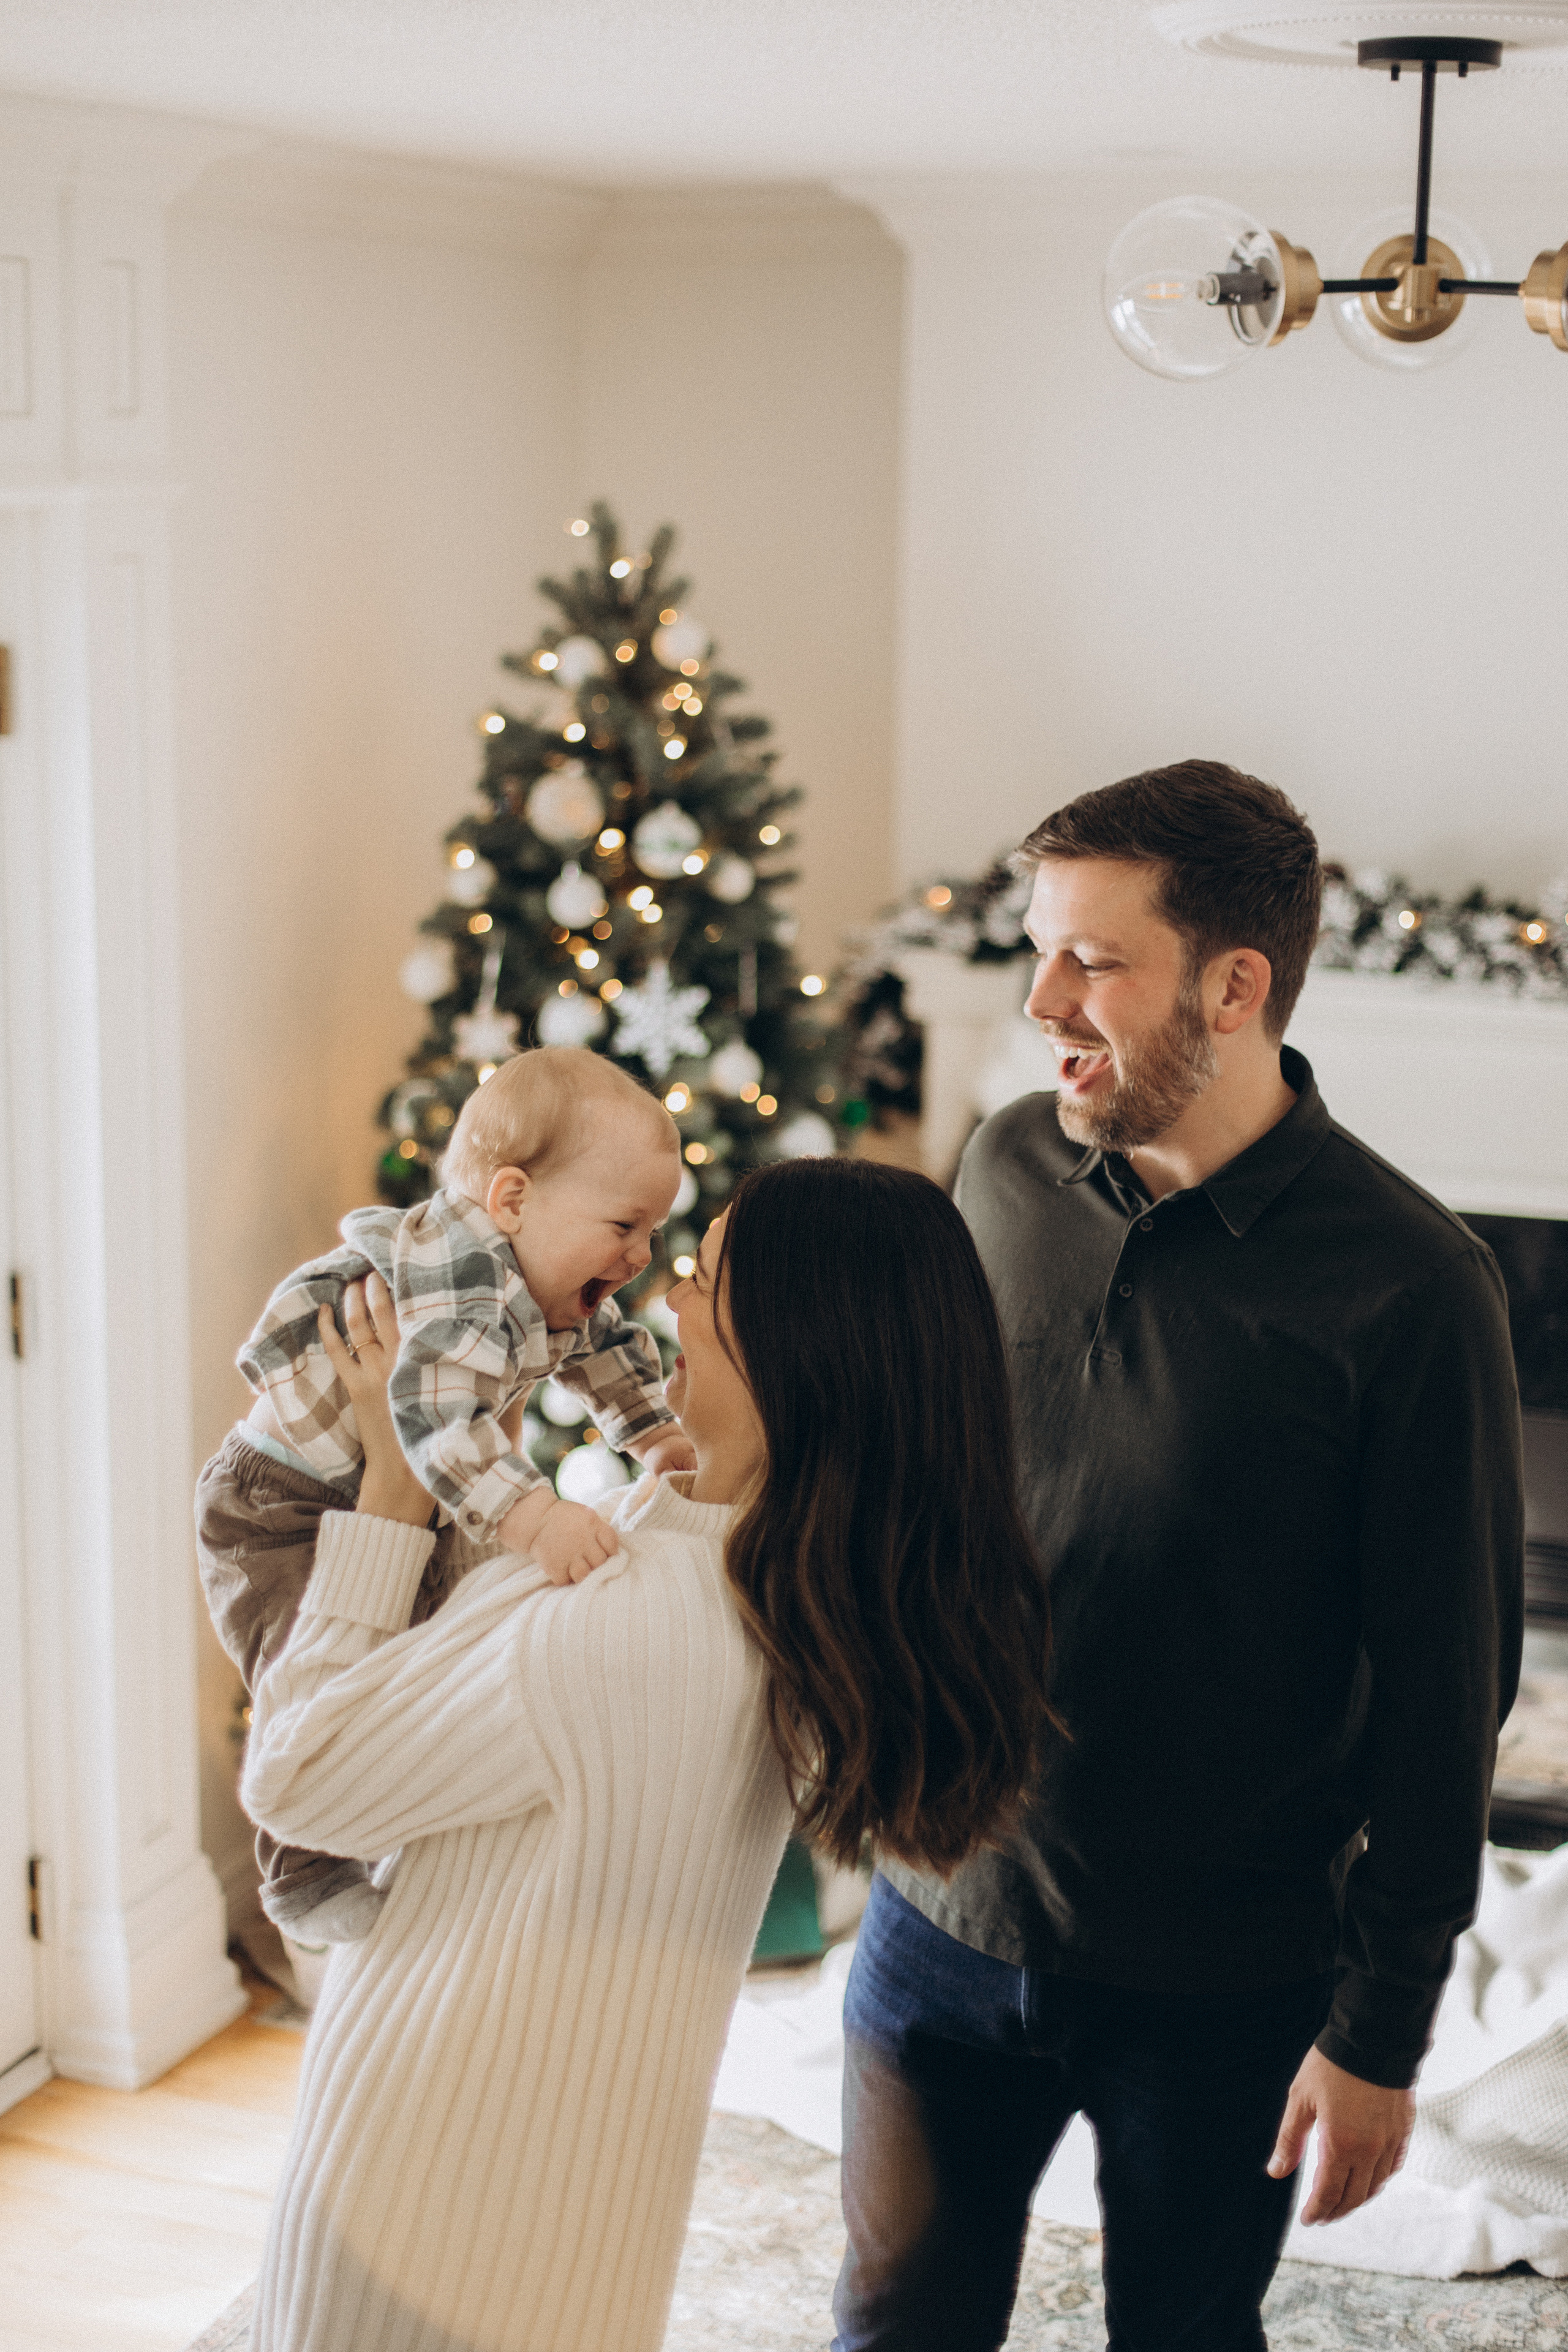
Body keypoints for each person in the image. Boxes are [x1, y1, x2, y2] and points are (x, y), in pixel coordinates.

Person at [833, 760, 1525, 2352]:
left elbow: (1447, 1695)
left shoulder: (1416, 1291)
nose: (1040, 1002)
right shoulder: (1002, 1167)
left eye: (1093, 961)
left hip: (1220, 1984)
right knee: (887, 2327)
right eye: (1038, 951)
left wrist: (1380, 2032)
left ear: (1234, 986)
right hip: (936, 1919)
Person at [240, 1154, 1057, 2352]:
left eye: (707, 1281)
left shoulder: (638, 1615)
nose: (664, 1298)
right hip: (584, 2219)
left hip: (419, 2199)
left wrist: (395, 1495)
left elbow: (297, 1779)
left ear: (788, 1348)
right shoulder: (779, 1593)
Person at [196, 1046, 694, 1947]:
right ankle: (303, 1871)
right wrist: (534, 1517)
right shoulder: (463, 1280)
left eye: (653, 1231)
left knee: (418, 1653)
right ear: (512, 1200)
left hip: (372, 1489)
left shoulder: (546, 1278)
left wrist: (653, 1434)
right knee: (302, 1668)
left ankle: (391, 1824)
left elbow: (607, 1351)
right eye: (626, 1224)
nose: (641, 1256)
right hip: (278, 1507)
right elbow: (434, 1416)